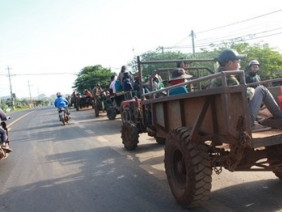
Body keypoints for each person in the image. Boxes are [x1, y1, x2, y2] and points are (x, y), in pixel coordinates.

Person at [211, 49, 282, 131]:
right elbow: (241, 97)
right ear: (230, 63)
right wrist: (251, 90)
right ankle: (280, 117)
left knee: (257, 92)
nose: (239, 65)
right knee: (261, 89)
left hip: (226, 118)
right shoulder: (229, 78)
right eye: (238, 62)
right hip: (240, 121)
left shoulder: (216, 78)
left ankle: (262, 121)